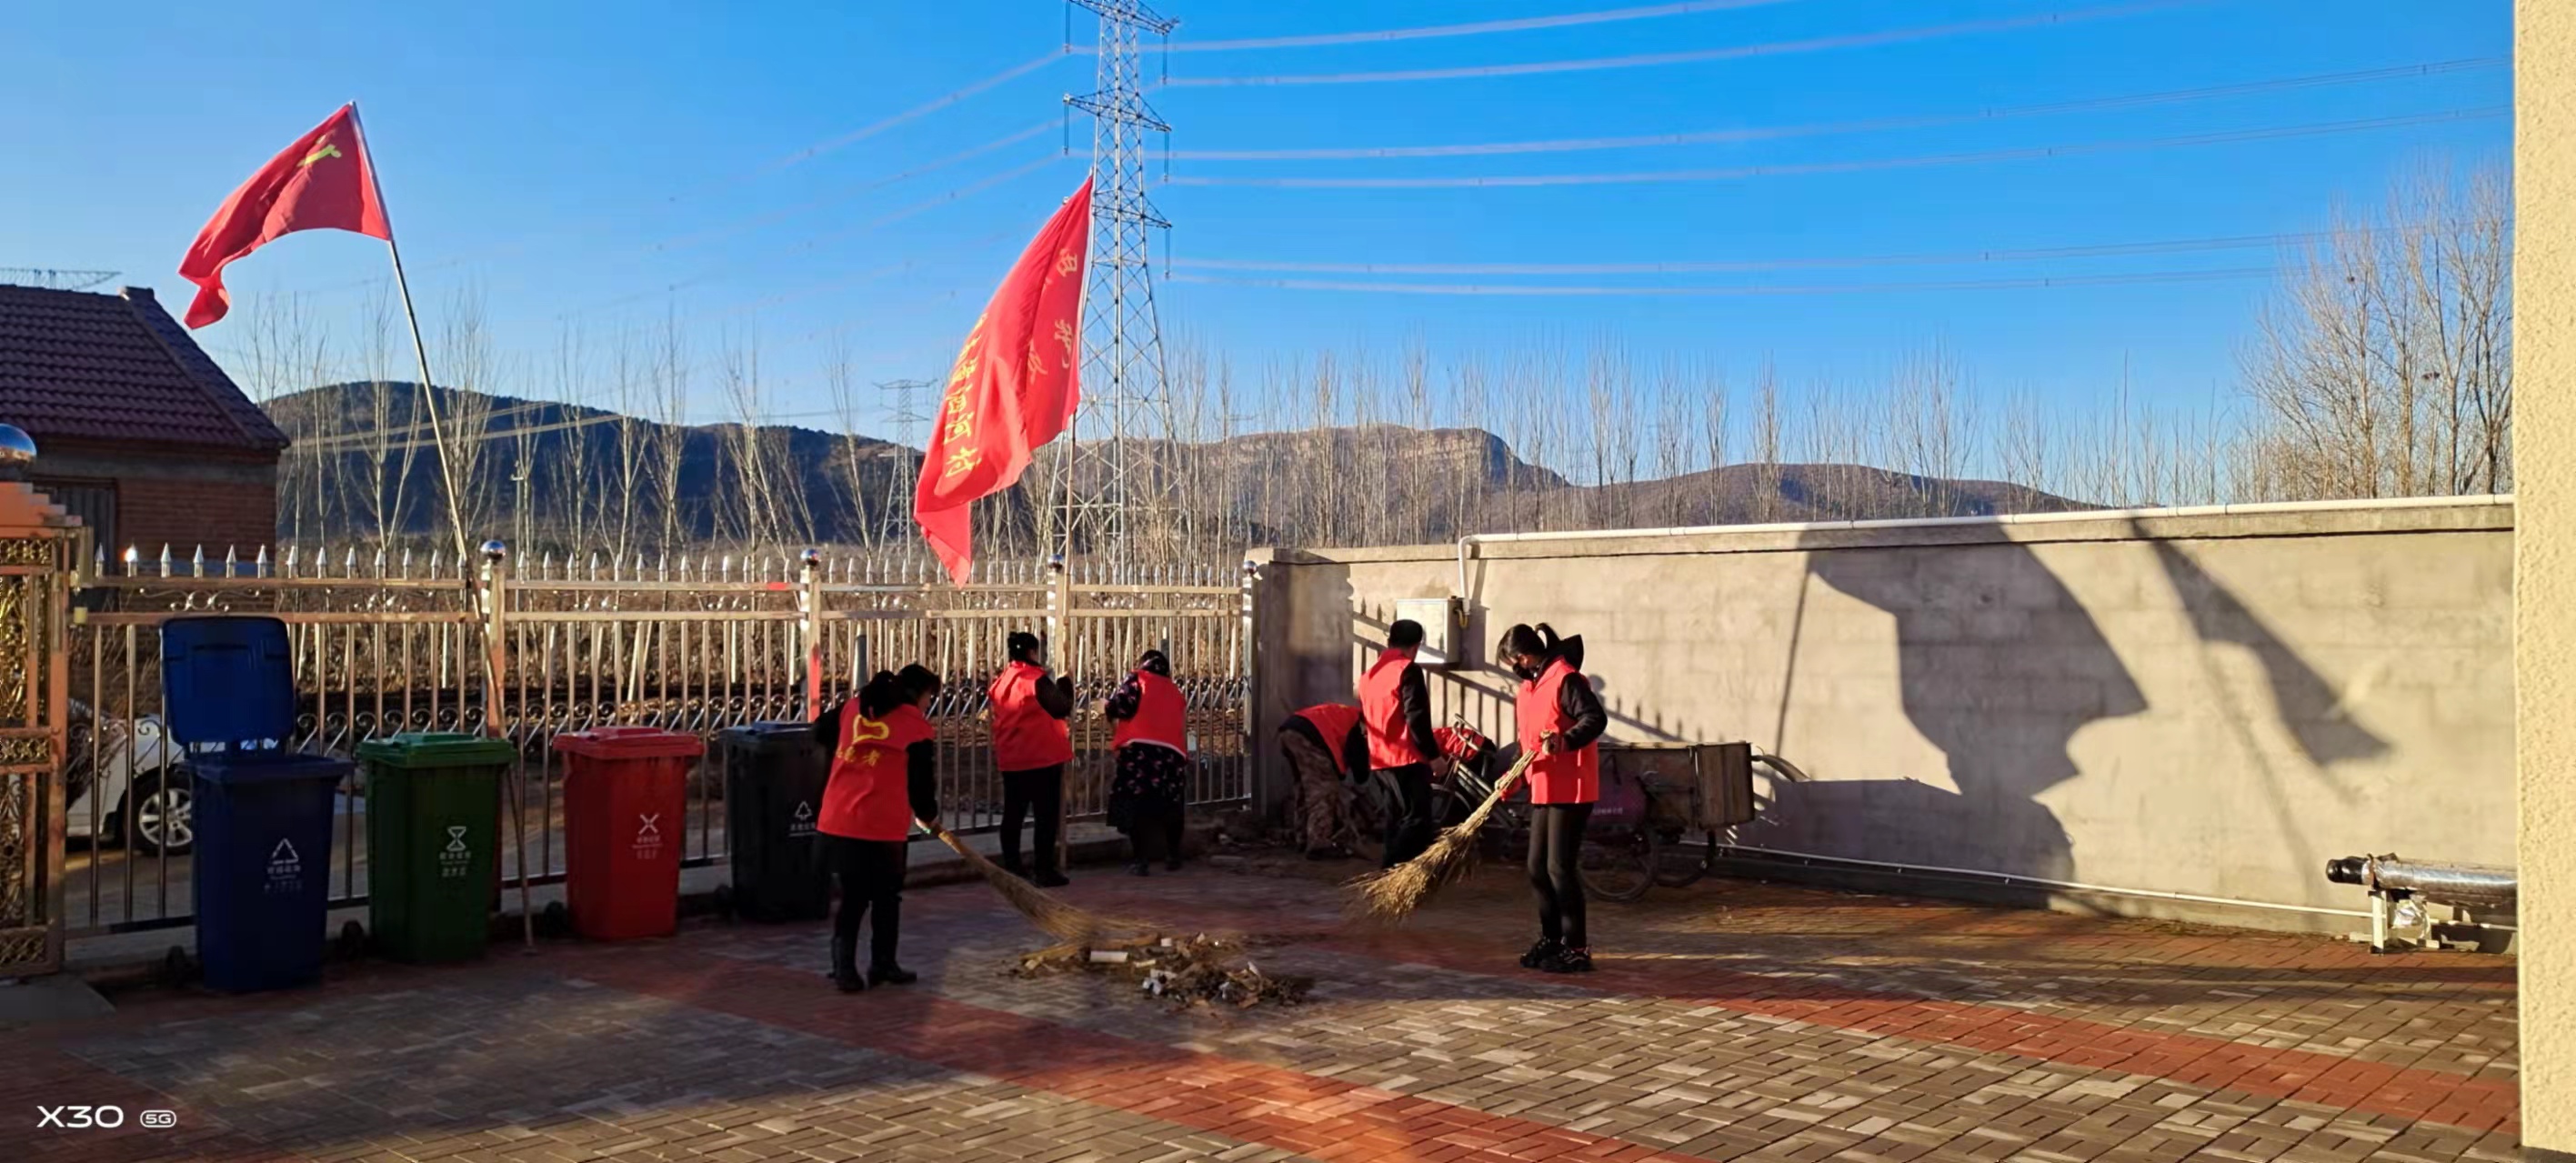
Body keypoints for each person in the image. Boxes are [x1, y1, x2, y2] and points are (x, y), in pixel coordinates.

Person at [809, 664, 943, 993]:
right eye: (929, 696)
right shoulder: (915, 726)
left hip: (840, 817)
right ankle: (882, 964)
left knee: (853, 897)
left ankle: (845, 968)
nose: (929, 703)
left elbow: (820, 729)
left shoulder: (853, 707)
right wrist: (928, 817)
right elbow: (921, 783)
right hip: (882, 825)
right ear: (917, 693)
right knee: (886, 897)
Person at [1499, 623, 1607, 975]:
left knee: (1559, 867)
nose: (1514, 668)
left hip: (1571, 787)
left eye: (1512, 661)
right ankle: (1552, 938)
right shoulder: (1528, 689)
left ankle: (1577, 947)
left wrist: (1566, 741)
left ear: (1523, 656)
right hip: (1543, 786)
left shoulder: (1566, 679)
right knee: (1537, 868)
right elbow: (1527, 743)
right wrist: (1513, 776)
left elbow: (1594, 718)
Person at [989, 631, 1076, 887]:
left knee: (1013, 814)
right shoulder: (1034, 679)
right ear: (1032, 652)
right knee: (1045, 816)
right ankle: (1044, 869)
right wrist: (1066, 683)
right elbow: (1061, 707)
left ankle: (1012, 866)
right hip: (1041, 757)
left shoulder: (1003, 679)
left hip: (1012, 757)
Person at [1360, 620, 1443, 867]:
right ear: (1416, 646)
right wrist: (1434, 756)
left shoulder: (1369, 675)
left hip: (1379, 759)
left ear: (1389, 641)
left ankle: (1393, 873)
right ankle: (1392, 869)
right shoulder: (1407, 670)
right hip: (1406, 758)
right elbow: (1416, 717)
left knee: (1395, 819)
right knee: (1417, 819)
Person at [1103, 649, 1190, 876]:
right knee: (1171, 805)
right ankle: (1173, 855)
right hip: (1172, 755)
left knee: (1136, 804)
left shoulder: (1137, 679)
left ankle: (1140, 860)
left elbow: (1122, 706)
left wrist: (1105, 706)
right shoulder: (1174, 690)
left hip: (1139, 751)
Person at [1278, 702, 1367, 858]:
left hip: (1288, 732)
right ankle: (1318, 844)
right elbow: (1358, 759)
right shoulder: (1358, 724)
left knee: (1303, 789)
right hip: (1308, 737)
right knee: (1323, 791)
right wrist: (1362, 776)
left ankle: (1303, 837)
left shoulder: (1346, 713)